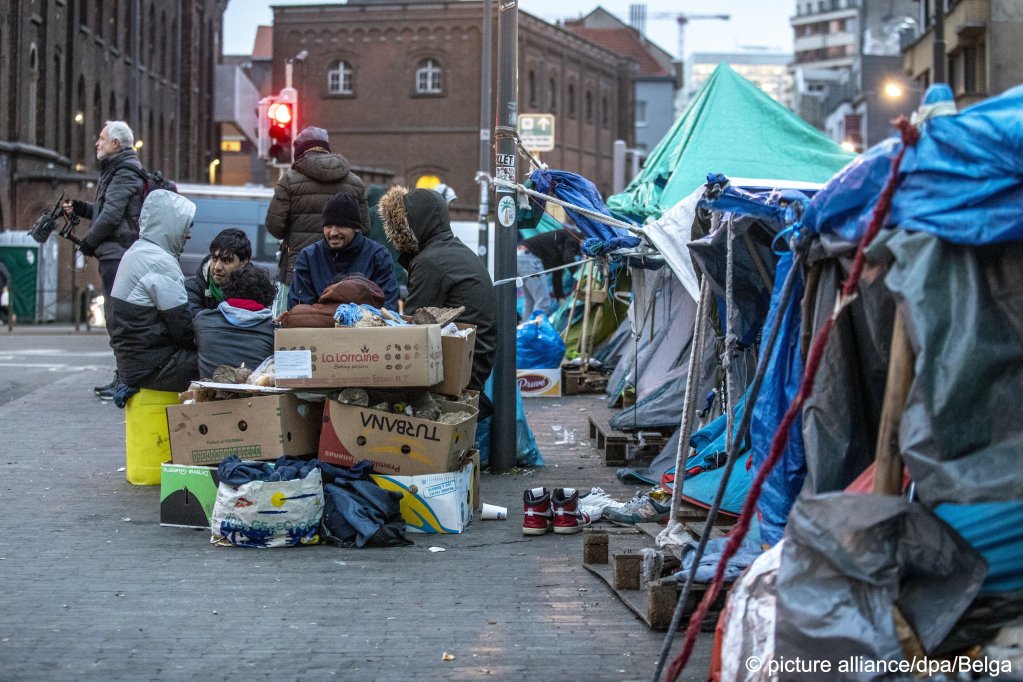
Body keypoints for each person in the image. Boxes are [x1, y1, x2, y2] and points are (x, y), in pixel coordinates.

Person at [379, 186, 496, 403]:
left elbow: (413, 333)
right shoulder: (452, 250)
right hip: (476, 362)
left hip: (462, 374)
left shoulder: (430, 262)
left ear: (413, 224)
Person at [62, 120, 145, 399]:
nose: (97, 143)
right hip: (114, 253)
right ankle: (122, 376)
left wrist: (88, 243)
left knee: (118, 318)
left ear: (116, 144)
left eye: (101, 138)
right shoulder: (117, 170)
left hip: (118, 254)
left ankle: (125, 378)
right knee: (115, 318)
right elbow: (107, 209)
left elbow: (111, 216)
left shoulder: (124, 171)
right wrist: (83, 208)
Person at [265, 125, 370, 306]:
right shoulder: (355, 182)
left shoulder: (289, 180)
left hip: (299, 271)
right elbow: (365, 229)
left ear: (299, 152)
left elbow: (275, 226)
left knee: (296, 325)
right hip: (347, 274)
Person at [107, 190, 199, 393]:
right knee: (217, 361)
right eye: (186, 227)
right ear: (171, 225)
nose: (189, 234)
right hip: (152, 368)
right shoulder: (159, 262)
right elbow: (183, 329)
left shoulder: (137, 252)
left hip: (135, 365)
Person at [287, 192, 399, 310]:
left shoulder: (378, 256)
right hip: (318, 328)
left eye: (340, 225)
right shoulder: (308, 257)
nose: (333, 232)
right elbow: (299, 308)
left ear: (355, 228)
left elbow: (387, 308)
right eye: (328, 225)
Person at [193, 265, 276, 379]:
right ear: (267, 297)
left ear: (227, 290)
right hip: (256, 395)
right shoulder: (273, 330)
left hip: (208, 394)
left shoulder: (203, 320)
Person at [184, 228, 252, 319]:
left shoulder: (254, 290)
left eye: (227, 260)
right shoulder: (194, 288)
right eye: (214, 259)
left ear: (243, 263)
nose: (217, 267)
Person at [517, 228, 582, 318]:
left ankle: (525, 330)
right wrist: (580, 278)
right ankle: (536, 330)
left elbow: (557, 273)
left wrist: (560, 298)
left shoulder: (560, 247)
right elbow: (568, 259)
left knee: (530, 301)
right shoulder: (574, 238)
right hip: (528, 258)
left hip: (520, 257)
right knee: (543, 302)